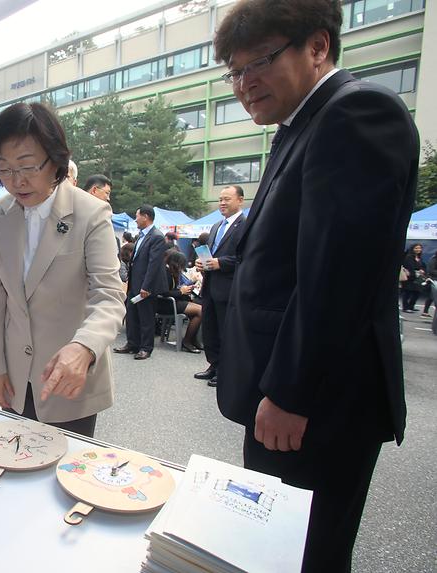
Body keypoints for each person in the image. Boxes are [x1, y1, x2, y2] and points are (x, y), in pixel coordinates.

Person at [213, 1, 418, 570]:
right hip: (288, 397)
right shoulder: (302, 124)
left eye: (260, 61)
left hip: (315, 404)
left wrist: (291, 394)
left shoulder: (356, 113)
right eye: (234, 71)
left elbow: (338, 276)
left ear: (319, 47)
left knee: (304, 556)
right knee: (272, 549)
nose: (245, 84)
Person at [0, 102, 124, 438]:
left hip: (70, 378)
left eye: (27, 166)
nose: (17, 181)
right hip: (14, 378)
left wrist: (85, 346)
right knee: (13, 459)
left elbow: (109, 296)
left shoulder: (90, 213)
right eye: (4, 169)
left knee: (65, 465)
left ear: (55, 159)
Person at [194, 185, 247, 387]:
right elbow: (211, 254)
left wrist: (220, 263)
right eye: (220, 199)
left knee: (226, 331)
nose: (222, 203)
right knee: (210, 328)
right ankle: (214, 364)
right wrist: (203, 263)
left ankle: (225, 371)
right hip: (210, 285)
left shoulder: (245, 225)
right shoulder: (216, 226)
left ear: (240, 200)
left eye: (227, 199)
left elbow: (245, 257)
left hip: (229, 287)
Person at [114, 205, 168, 360]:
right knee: (132, 315)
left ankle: (145, 348)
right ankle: (132, 344)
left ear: (145, 217)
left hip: (145, 286)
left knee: (146, 317)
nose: (135, 219)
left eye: (137, 216)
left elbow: (154, 264)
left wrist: (146, 286)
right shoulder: (141, 235)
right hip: (135, 283)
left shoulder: (156, 236)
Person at [158, 250, 203, 353]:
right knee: (200, 311)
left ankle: (192, 339)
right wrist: (181, 292)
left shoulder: (171, 272)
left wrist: (185, 289)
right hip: (166, 303)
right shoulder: (165, 272)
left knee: (199, 307)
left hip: (174, 301)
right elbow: (164, 292)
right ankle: (187, 341)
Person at [400, 243, 425, 313]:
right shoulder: (408, 257)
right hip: (409, 276)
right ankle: (405, 307)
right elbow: (409, 266)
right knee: (407, 292)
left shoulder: (420, 258)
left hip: (418, 277)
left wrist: (422, 270)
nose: (418, 249)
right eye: (416, 248)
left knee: (417, 292)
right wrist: (413, 272)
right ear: (413, 249)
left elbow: (422, 266)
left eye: (419, 248)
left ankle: (411, 306)